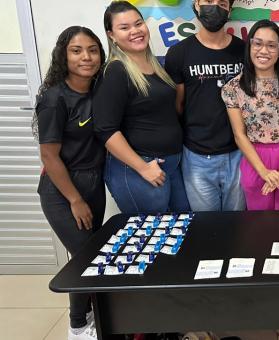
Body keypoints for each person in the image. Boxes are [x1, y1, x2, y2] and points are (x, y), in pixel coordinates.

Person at [35, 26, 106, 340]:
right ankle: (78, 326)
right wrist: (75, 199)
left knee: (90, 257)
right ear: (64, 54)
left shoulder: (99, 90)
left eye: (92, 49)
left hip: (94, 183)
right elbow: (50, 157)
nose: (86, 57)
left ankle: (93, 316)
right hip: (63, 189)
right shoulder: (54, 98)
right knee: (85, 260)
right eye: (77, 50)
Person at [94, 1, 190, 214]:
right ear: (111, 35)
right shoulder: (116, 71)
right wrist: (143, 167)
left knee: (182, 233)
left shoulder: (155, 65)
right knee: (151, 242)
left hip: (170, 166)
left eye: (138, 24)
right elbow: (105, 130)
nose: (135, 31)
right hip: (141, 170)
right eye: (124, 27)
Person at [164, 0, 246, 212]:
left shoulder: (244, 51)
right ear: (196, 4)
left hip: (239, 154)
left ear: (230, 9)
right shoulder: (178, 53)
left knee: (237, 227)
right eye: (208, 1)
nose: (214, 6)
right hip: (197, 157)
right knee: (206, 228)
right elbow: (178, 105)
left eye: (221, 2)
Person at [222, 20, 279, 210]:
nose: (264, 50)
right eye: (258, 43)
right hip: (255, 161)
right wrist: (264, 172)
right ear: (250, 46)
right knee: (260, 227)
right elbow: (239, 134)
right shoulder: (233, 88)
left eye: (271, 45)